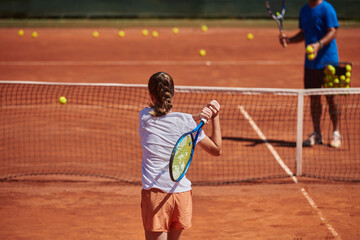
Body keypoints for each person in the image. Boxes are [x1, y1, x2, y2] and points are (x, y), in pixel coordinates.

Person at [139, 72, 222, 240]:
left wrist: (199, 117)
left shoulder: (144, 117)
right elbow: (216, 150)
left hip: (155, 195)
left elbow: (168, 119)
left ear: (151, 95)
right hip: (181, 194)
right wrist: (214, 116)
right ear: (173, 93)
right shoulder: (187, 123)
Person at [280, 0, 342, 148]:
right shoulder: (304, 11)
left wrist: (318, 45)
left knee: (332, 98)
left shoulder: (327, 8)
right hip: (310, 64)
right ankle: (317, 133)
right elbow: (303, 33)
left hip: (329, 62)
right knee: (314, 99)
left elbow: (333, 31)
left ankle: (336, 133)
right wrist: (289, 40)